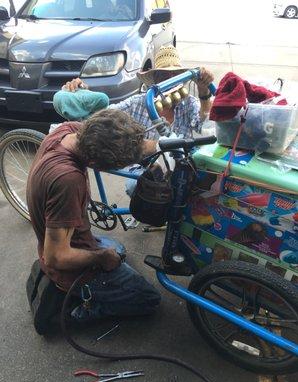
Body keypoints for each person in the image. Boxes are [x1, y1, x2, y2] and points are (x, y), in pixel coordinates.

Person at [26, 109, 161, 322]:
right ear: (95, 164)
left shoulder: (69, 131)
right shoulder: (68, 180)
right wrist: (101, 257)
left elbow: (125, 138)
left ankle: (100, 263)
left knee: (119, 251)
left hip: (66, 239)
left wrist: (163, 146)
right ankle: (76, 310)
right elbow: (56, 257)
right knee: (149, 299)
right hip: (63, 262)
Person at [58, 45, 214, 140]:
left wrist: (204, 92)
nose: (170, 80)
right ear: (155, 79)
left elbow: (204, 128)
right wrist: (83, 92)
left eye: (175, 75)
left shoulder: (189, 103)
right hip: (147, 173)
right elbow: (106, 115)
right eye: (164, 75)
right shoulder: (139, 103)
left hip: (183, 170)